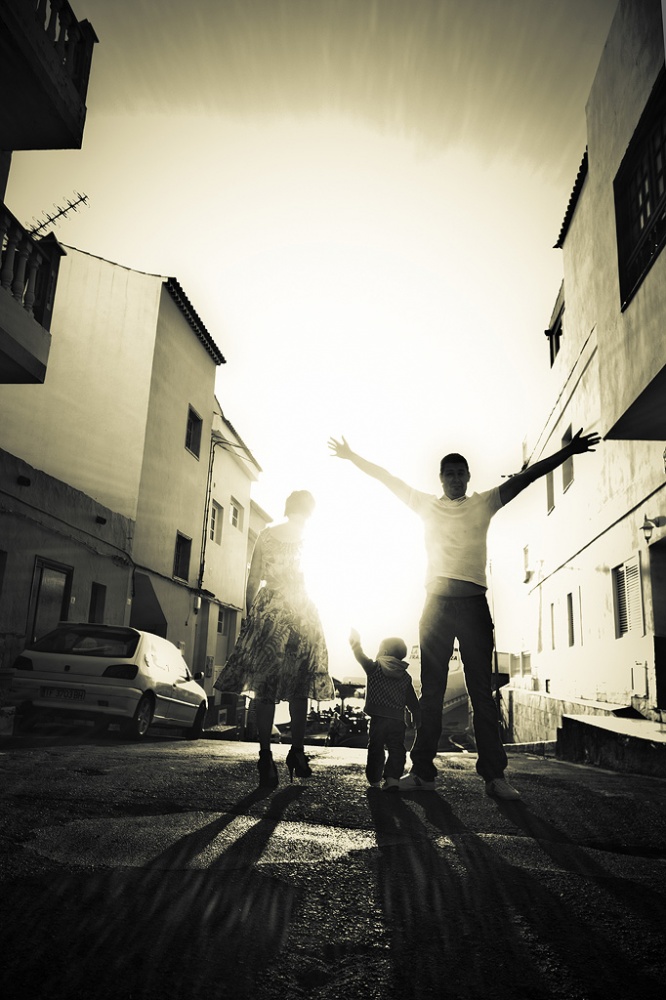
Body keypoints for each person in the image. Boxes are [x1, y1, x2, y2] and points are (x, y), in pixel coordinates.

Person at [329, 429, 601, 799]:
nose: (456, 479)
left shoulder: (484, 503)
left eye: (461, 473)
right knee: (432, 693)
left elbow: (527, 477)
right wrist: (352, 456)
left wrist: (566, 452)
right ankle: (422, 772)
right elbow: (388, 479)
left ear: (469, 477)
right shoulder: (426, 504)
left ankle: (494, 777)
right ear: (441, 479)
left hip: (473, 605)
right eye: (450, 474)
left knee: (481, 693)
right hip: (436, 607)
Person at [214, 490, 334, 787]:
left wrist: (250, 617)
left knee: (265, 687)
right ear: (310, 512)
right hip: (301, 613)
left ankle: (265, 757)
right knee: (300, 686)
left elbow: (253, 580)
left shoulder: (266, 535)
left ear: (287, 507)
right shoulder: (309, 538)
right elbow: (316, 575)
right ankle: (297, 752)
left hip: (269, 613)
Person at [349, 628, 421, 791]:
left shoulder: (375, 668)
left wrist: (355, 642)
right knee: (397, 749)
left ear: (385, 652)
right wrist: (416, 715)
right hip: (397, 720)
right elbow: (412, 700)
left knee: (376, 747)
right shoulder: (405, 676)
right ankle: (392, 778)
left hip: (378, 718)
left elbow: (360, 656)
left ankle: (374, 779)